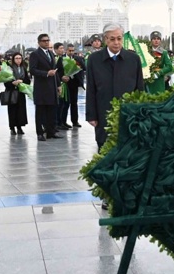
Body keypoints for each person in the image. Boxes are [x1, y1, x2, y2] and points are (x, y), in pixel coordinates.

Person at [85, 23, 145, 209]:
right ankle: (107, 194)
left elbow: (140, 89)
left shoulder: (133, 59)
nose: (116, 42)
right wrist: (91, 115)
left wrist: (141, 112)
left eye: (119, 38)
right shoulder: (94, 60)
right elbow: (91, 90)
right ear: (105, 40)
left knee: (128, 155)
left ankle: (127, 192)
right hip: (104, 116)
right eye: (112, 39)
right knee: (106, 155)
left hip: (128, 116)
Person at [29, 34, 61, 141]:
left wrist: (58, 85)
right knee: (40, 112)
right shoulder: (35, 54)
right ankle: (40, 133)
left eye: (48, 40)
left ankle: (51, 131)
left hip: (52, 87)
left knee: (52, 111)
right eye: (44, 41)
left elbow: (54, 70)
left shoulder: (51, 53)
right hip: (41, 88)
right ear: (39, 42)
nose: (46, 42)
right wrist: (46, 73)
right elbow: (32, 70)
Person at [4, 51, 30, 135]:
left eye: (20, 58)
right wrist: (12, 83)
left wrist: (22, 81)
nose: (18, 60)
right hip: (12, 92)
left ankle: (19, 127)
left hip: (20, 92)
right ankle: (12, 127)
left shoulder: (24, 68)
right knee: (12, 110)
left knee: (20, 110)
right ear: (13, 59)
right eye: (16, 58)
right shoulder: (9, 68)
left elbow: (28, 80)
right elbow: (5, 81)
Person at [64, 43, 85, 127]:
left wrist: (78, 64)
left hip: (74, 83)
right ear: (66, 50)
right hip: (65, 83)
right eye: (70, 50)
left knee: (74, 102)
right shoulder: (62, 58)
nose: (71, 52)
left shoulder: (78, 58)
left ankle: (75, 121)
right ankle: (63, 122)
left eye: (73, 50)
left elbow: (84, 67)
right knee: (65, 103)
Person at [53, 42, 71, 131]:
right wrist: (61, 77)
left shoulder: (63, 58)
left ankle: (63, 121)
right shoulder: (54, 59)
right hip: (57, 84)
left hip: (64, 84)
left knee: (65, 103)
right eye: (60, 48)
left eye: (63, 48)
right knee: (59, 104)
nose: (62, 50)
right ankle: (57, 122)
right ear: (55, 49)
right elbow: (55, 72)